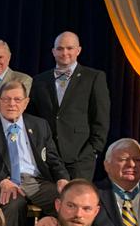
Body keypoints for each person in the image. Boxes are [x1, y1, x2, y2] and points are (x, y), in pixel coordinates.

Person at [0, 80, 69, 226]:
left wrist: (62, 179)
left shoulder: (39, 125)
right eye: (6, 99)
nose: (12, 104)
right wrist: (1, 182)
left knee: (68, 202)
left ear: (26, 102)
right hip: (6, 183)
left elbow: (54, 159)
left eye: (17, 99)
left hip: (37, 182)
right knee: (14, 205)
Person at [27, 31, 110, 180]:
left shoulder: (94, 77)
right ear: (53, 51)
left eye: (70, 48)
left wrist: (93, 151)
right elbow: (33, 118)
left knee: (76, 201)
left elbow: (101, 119)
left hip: (80, 158)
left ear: (78, 50)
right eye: (59, 48)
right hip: (47, 158)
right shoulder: (39, 80)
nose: (65, 52)